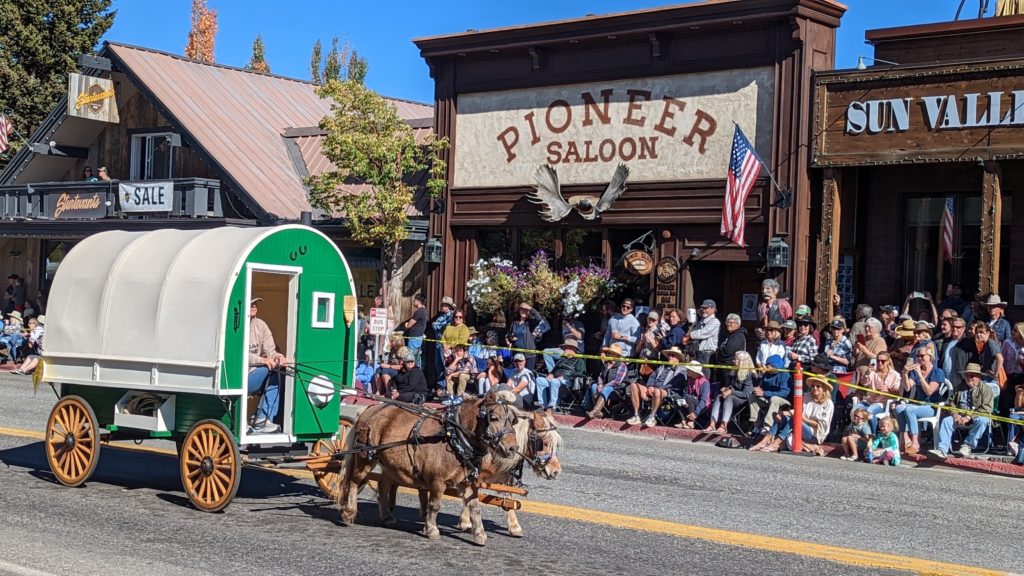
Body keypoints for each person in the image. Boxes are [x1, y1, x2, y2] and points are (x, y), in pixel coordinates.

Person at [750, 376, 834, 455]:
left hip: (815, 434)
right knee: (783, 418)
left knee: (794, 420)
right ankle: (764, 442)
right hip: (801, 424)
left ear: (824, 389)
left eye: (818, 386)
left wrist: (802, 418)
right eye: (813, 386)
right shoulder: (807, 396)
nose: (815, 388)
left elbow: (820, 425)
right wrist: (782, 413)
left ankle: (775, 444)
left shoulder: (828, 403)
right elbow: (797, 411)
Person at [930, 363, 994, 459]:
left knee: (983, 420)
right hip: (959, 416)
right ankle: (942, 450)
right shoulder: (960, 387)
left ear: (979, 377)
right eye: (967, 375)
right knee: (947, 421)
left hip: (975, 417)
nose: (969, 378)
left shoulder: (986, 390)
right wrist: (955, 414)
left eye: (972, 376)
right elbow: (951, 402)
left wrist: (968, 417)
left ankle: (967, 446)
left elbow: (986, 409)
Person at [247, 298, 289, 433]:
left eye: (255, 303)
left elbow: (270, 350)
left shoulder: (261, 325)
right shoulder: (236, 325)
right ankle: (261, 417)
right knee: (270, 370)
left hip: (255, 374)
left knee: (279, 371)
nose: (254, 305)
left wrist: (278, 357)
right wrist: (263, 360)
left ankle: (262, 417)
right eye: (250, 303)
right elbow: (238, 355)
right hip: (239, 376)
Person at [894, 347, 945, 455]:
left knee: (909, 410)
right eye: (918, 356)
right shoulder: (915, 371)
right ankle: (905, 439)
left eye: (922, 356)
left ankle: (915, 442)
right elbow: (908, 388)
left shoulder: (937, 372)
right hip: (917, 404)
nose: (919, 358)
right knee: (899, 408)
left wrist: (921, 376)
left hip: (932, 406)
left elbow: (929, 391)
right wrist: (905, 374)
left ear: (930, 357)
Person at [626, 345, 687, 427]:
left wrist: (656, 389)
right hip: (653, 390)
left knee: (657, 391)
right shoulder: (662, 367)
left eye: (673, 355)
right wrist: (650, 387)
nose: (669, 357)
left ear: (678, 358)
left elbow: (675, 385)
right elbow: (652, 377)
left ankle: (652, 417)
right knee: (633, 385)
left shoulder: (682, 371)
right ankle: (637, 415)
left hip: (667, 392)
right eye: (669, 355)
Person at [703, 351, 755, 435]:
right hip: (733, 396)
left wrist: (731, 391)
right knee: (719, 396)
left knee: (729, 397)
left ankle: (724, 426)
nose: (733, 361)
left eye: (736, 359)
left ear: (742, 361)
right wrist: (726, 388)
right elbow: (731, 386)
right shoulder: (734, 371)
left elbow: (747, 394)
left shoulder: (750, 374)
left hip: (744, 401)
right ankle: (712, 424)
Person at [853, 351, 902, 433]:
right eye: (878, 360)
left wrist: (888, 390)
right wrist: (867, 372)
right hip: (870, 400)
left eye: (883, 361)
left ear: (888, 362)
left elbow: (898, 393)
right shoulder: (872, 372)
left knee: (870, 411)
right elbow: (864, 383)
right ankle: (860, 433)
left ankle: (873, 435)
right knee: (854, 410)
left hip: (883, 403)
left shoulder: (895, 375)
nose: (880, 363)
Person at [535, 339, 582, 416]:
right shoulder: (562, 358)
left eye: (566, 347)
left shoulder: (579, 360)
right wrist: (551, 374)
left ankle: (552, 406)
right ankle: (543, 405)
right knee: (539, 380)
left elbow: (580, 374)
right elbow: (555, 369)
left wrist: (565, 376)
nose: (564, 349)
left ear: (572, 349)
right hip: (556, 379)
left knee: (554, 381)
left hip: (568, 381)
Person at [748, 354, 791, 436]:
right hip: (767, 397)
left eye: (768, 364)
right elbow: (761, 387)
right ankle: (756, 425)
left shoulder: (784, 374)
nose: (766, 366)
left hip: (783, 400)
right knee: (753, 397)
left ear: (774, 365)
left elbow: (785, 393)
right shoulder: (767, 374)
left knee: (775, 399)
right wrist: (757, 390)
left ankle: (767, 426)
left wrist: (765, 393)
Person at [584, 342, 629, 418]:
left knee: (606, 389)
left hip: (617, 389)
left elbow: (617, 382)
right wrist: (600, 384)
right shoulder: (606, 364)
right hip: (605, 386)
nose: (609, 355)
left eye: (612, 353)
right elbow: (600, 376)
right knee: (594, 386)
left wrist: (604, 386)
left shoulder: (622, 366)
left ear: (617, 355)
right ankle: (599, 412)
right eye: (609, 353)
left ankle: (594, 411)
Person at [685, 299, 720, 376]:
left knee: (705, 377)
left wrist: (690, 335)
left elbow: (702, 333)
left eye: (706, 308)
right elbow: (696, 330)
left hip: (707, 354)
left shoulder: (715, 321)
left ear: (713, 309)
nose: (704, 310)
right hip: (698, 353)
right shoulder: (702, 321)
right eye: (703, 308)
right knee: (696, 377)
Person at [507, 303, 545, 370]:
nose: (524, 311)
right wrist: (511, 338)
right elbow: (509, 334)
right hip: (517, 352)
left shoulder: (530, 323)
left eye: (526, 310)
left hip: (529, 354)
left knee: (528, 374)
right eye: (522, 310)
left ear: (528, 313)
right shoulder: (514, 323)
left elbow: (539, 318)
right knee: (516, 373)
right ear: (519, 311)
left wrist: (530, 308)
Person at [715, 313, 747, 381]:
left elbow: (728, 351)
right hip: (724, 367)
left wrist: (719, 350)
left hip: (730, 368)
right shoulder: (730, 335)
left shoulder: (738, 336)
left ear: (737, 324)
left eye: (731, 322)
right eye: (727, 322)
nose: (728, 324)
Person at [401, 294, 428, 367]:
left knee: (411, 358)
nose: (414, 301)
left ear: (418, 301)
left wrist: (406, 324)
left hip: (414, 337)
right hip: (418, 337)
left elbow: (409, 324)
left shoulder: (419, 312)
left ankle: (412, 372)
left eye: (415, 300)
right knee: (417, 357)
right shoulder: (424, 311)